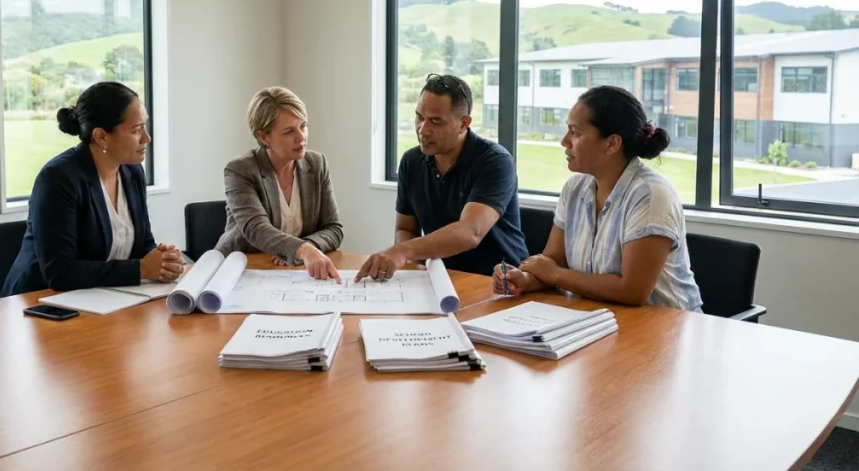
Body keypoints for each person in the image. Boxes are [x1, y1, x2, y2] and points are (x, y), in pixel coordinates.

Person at [492, 85, 703, 311]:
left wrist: (554, 274)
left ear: (611, 143)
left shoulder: (651, 195)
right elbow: (553, 262)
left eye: (575, 132)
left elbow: (632, 291)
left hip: (667, 329)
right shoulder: (574, 188)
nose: (564, 141)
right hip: (599, 319)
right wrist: (525, 279)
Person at [0, 82, 183, 296]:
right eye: (136, 130)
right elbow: (60, 272)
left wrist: (162, 259)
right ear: (101, 136)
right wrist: (141, 268)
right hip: (40, 302)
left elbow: (143, 244)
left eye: (145, 126)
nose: (147, 138)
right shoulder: (58, 178)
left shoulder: (133, 172)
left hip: (103, 299)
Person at [357, 74, 529, 280]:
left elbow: (470, 232)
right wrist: (415, 266)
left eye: (435, 121)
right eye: (419, 117)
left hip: (497, 282)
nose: (423, 130)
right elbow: (405, 228)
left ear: (464, 123)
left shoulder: (496, 161)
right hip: (441, 278)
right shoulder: (411, 161)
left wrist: (403, 251)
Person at [215, 86, 344, 281]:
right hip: (241, 272)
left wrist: (304, 248)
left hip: (294, 273)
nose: (301, 137)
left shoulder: (317, 164)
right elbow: (256, 229)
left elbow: (333, 228)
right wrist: (301, 250)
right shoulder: (240, 170)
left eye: (303, 126)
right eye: (289, 131)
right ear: (263, 137)